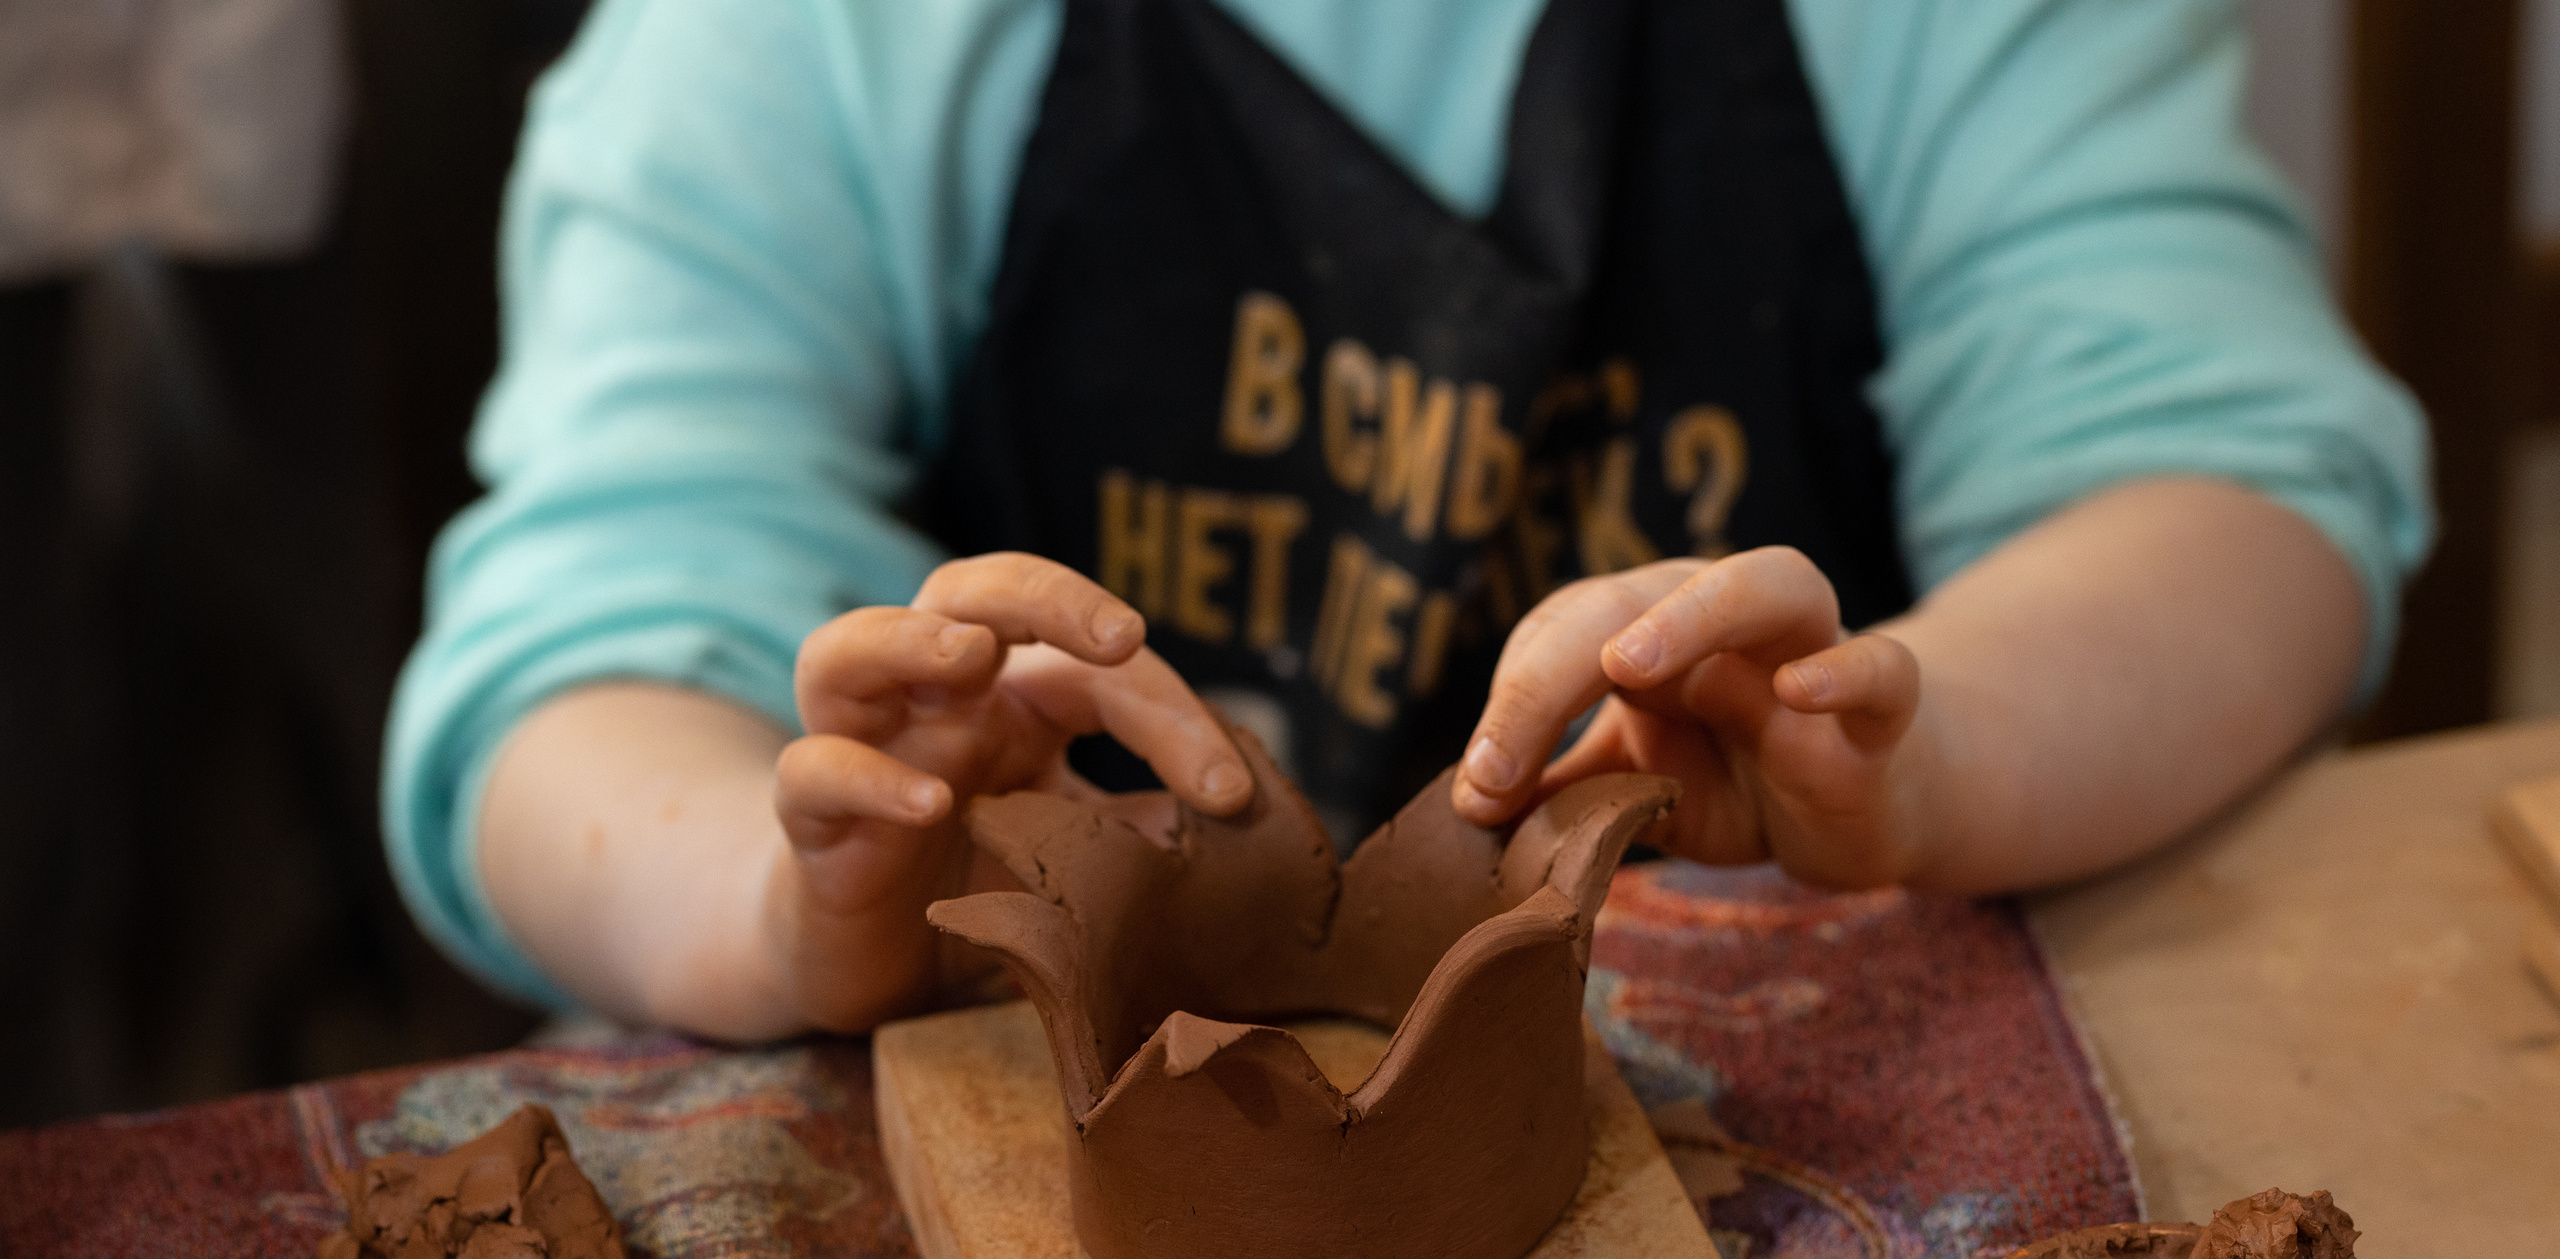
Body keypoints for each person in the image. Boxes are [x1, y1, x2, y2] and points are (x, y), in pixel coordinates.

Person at [385, 0, 2429, 1041]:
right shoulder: (804, 43)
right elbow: (567, 667)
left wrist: (1929, 741)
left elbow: (2234, 486)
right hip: (1030, 1106)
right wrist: (783, 893)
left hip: (1762, 1083)